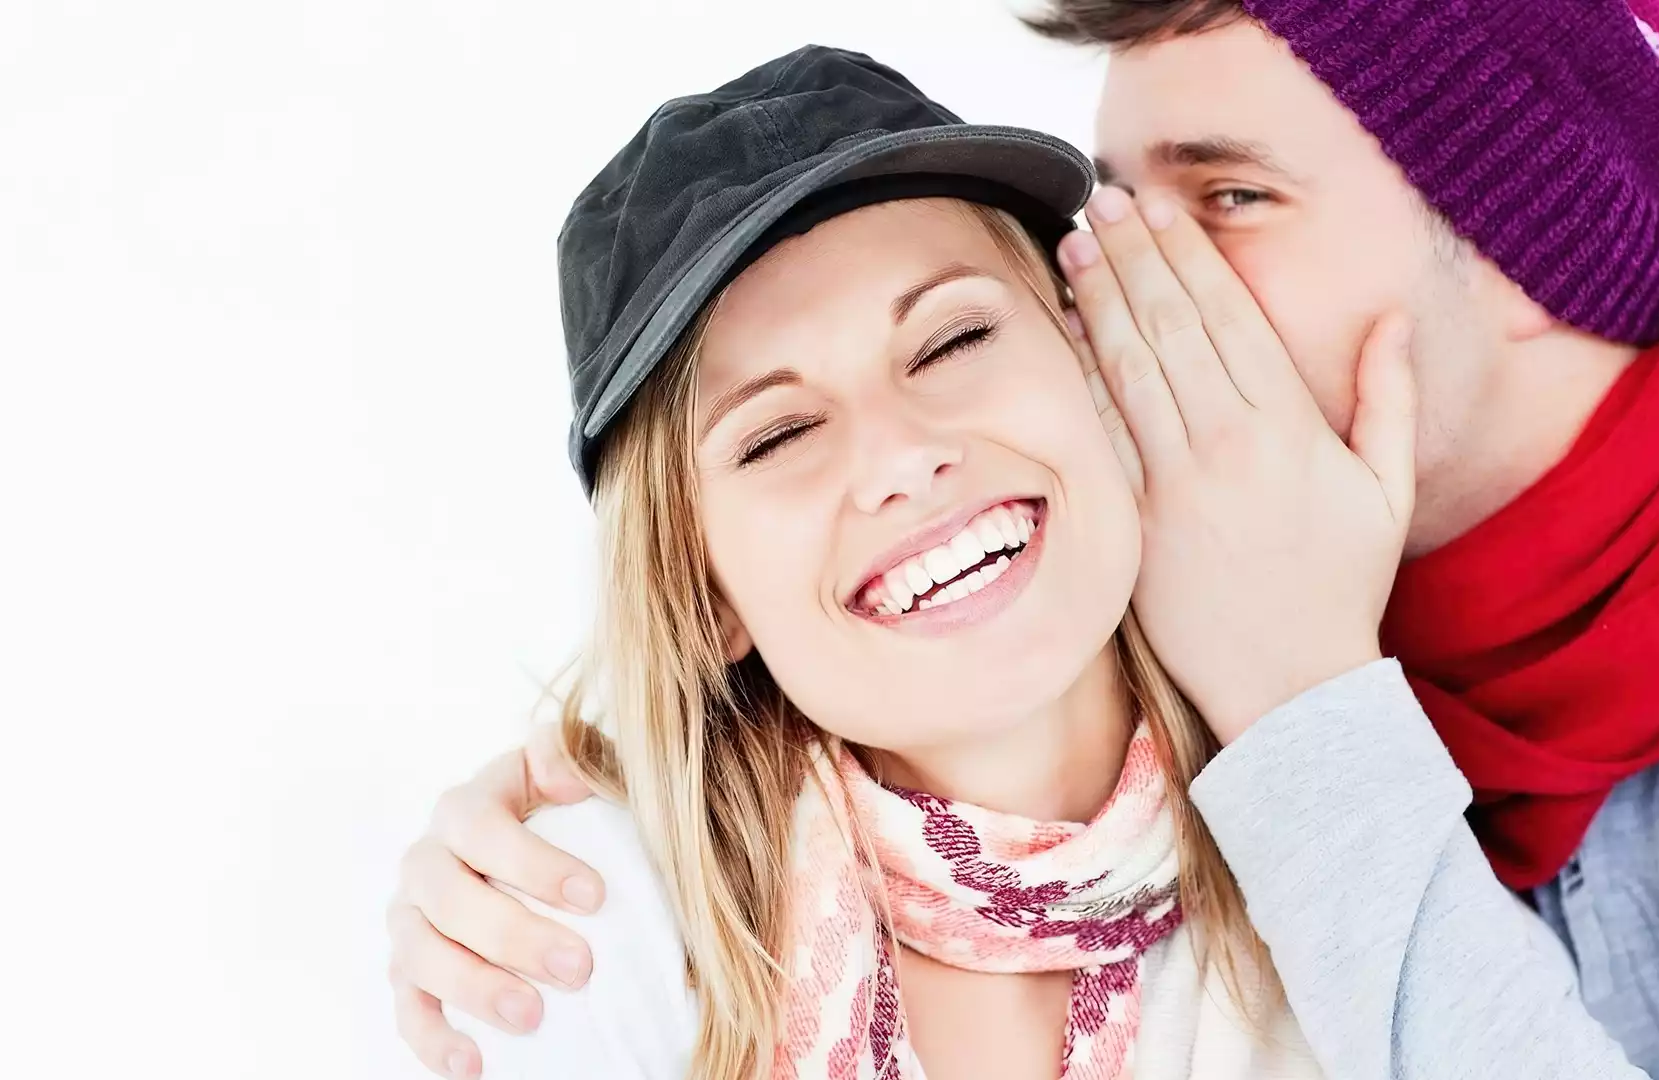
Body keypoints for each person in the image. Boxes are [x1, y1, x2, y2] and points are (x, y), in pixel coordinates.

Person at [392, 3, 1659, 1079]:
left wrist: (1304, 704)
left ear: (1526, 242)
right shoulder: (1211, 583)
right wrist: (582, 816)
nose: (1119, 287)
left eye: (1232, 197)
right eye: (1114, 211)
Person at [418, 43, 1368, 1080]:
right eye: (779, 435)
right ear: (703, 593)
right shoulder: (574, 936)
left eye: (951, 341)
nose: (903, 457)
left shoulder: (1366, 820)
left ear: (1095, 367)